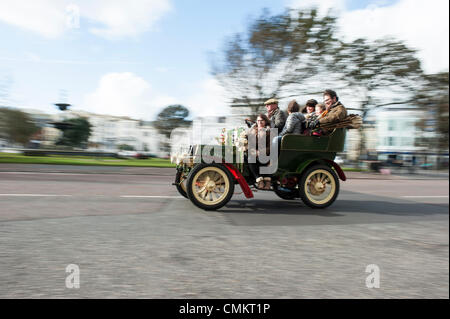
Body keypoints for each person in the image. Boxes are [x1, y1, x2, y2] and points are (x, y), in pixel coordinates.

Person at [247, 114, 272, 190]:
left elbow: (270, 147)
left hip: (266, 154)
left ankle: (267, 182)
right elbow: (250, 144)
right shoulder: (253, 130)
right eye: (258, 120)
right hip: (255, 153)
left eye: (262, 120)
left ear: (265, 121)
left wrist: (260, 152)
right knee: (250, 158)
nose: (260, 122)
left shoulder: (269, 132)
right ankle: (259, 180)